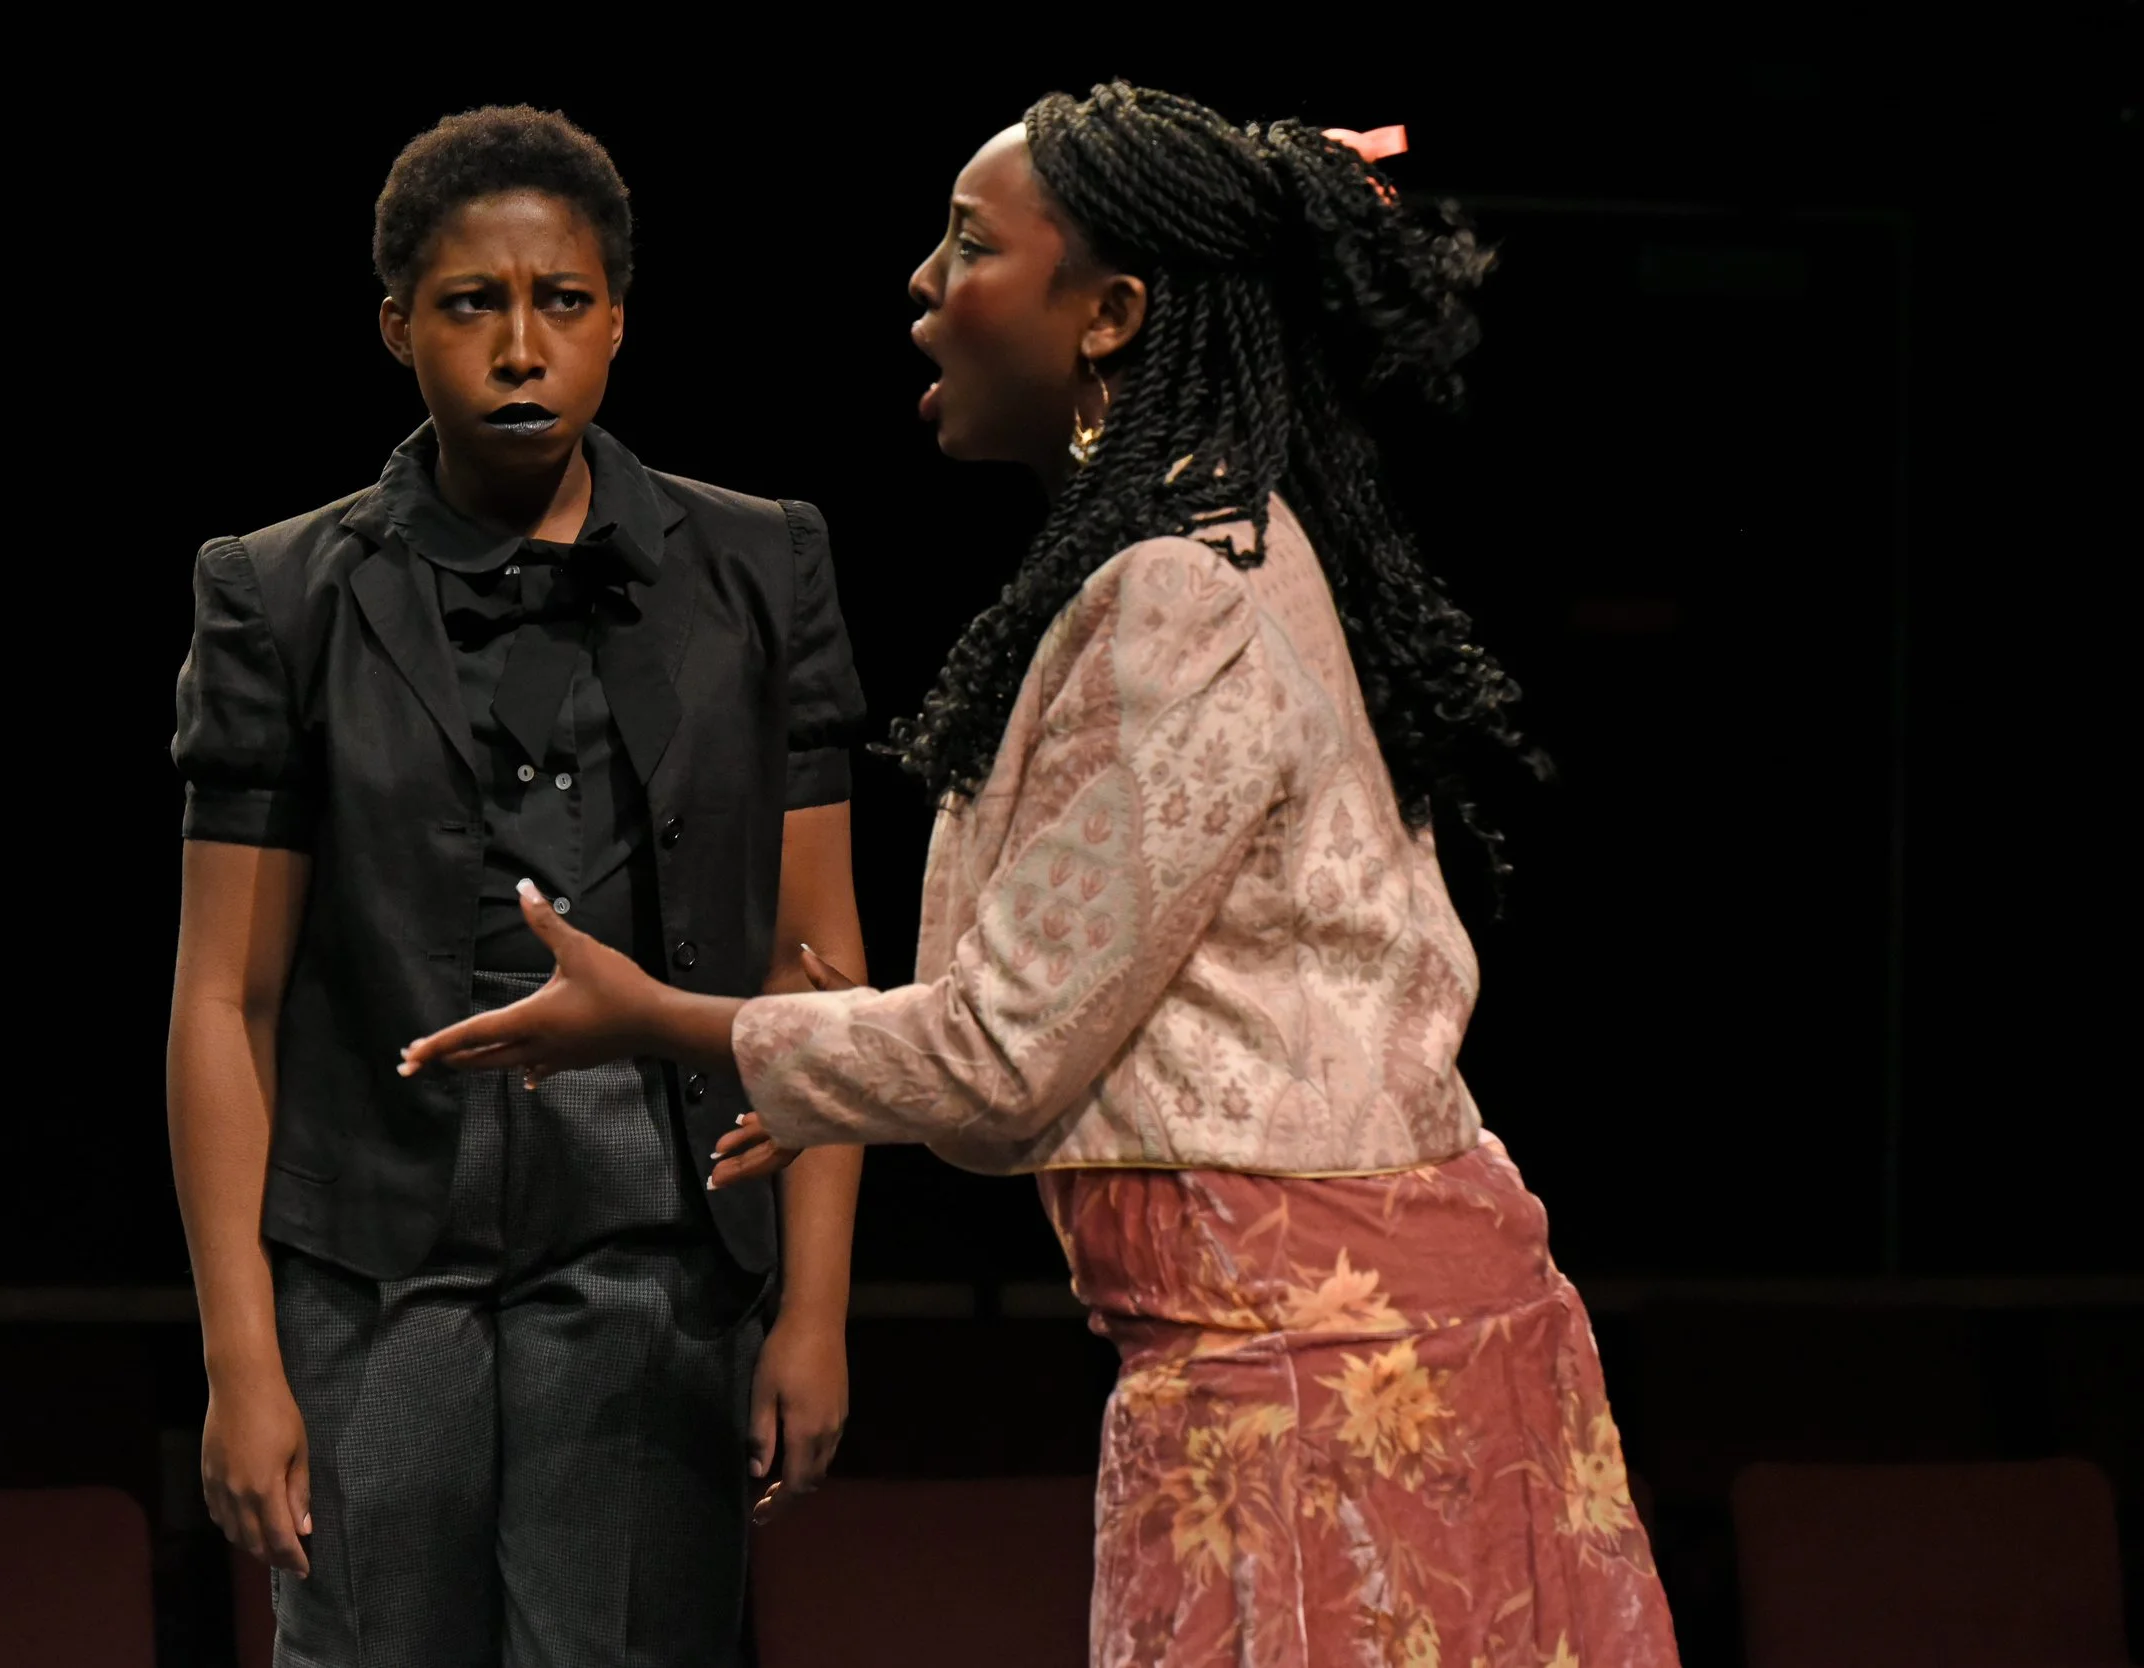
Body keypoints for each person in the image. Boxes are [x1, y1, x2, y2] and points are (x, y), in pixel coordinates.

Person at [403, 82, 1680, 1668]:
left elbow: (1002, 1063)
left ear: (1111, 314)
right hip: (1335, 1346)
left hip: (1319, 1385)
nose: (925, 288)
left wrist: (662, 1021)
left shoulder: (1180, 598)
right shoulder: (1199, 556)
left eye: (969, 247)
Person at [166, 105, 868, 1667]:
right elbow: (228, 993)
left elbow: (812, 968)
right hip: (371, 1253)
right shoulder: (281, 594)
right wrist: (240, 1355)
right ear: (398, 325)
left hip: (653, 1240)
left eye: (561, 301)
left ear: (618, 317)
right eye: (473, 304)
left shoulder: (759, 565)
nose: (519, 346)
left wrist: (813, 1303)